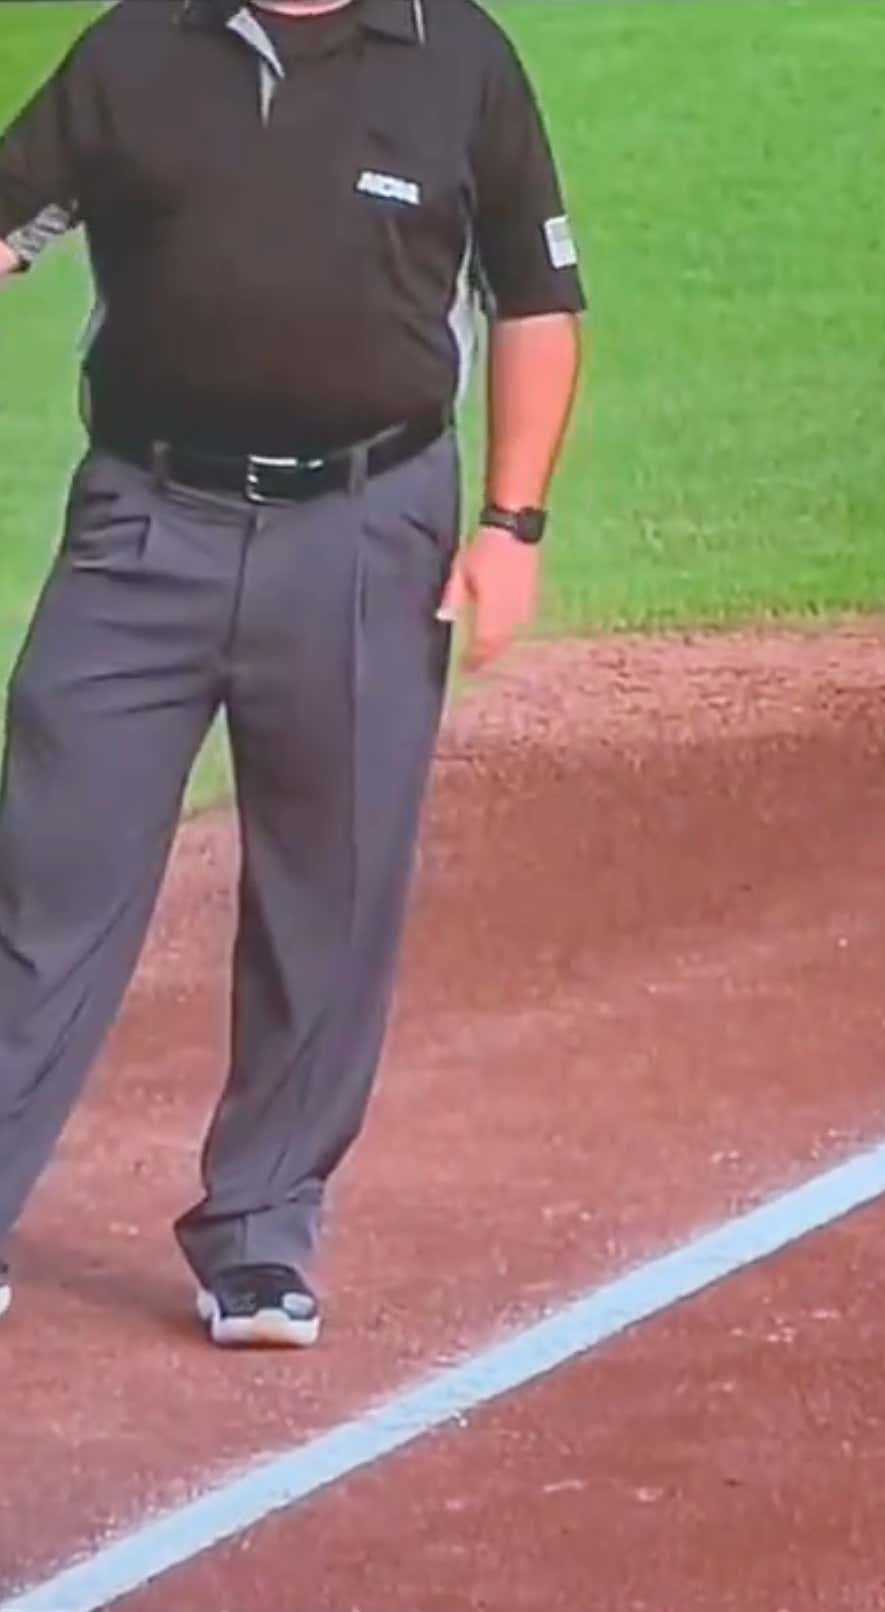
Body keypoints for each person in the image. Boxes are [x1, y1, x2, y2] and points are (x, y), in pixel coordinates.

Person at [0, 0, 586, 1346]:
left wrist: (511, 526)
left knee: (333, 889)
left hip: (370, 527)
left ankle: (259, 1233)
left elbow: (538, 302)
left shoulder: (459, 58)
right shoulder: (137, 47)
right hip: (144, 525)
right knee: (47, 873)